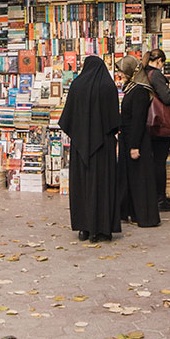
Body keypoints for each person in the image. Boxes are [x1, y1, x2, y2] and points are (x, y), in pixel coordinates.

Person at [58, 56, 122, 243]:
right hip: (104, 147)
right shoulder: (108, 86)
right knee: (104, 186)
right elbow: (113, 121)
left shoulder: (77, 86)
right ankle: (102, 229)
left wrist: (81, 133)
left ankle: (84, 228)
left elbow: (67, 118)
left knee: (82, 186)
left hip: (81, 147)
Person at [116, 56, 161, 228]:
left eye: (122, 70)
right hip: (129, 138)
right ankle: (131, 212)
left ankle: (143, 215)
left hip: (136, 141)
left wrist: (134, 146)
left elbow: (138, 120)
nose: (120, 74)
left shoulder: (140, 91)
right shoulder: (131, 88)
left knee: (139, 178)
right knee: (130, 177)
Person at [143, 49, 170, 213]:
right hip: (158, 125)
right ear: (159, 61)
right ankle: (160, 199)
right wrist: (169, 89)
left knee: (149, 162)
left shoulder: (142, 72)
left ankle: (149, 196)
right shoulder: (155, 75)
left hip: (146, 123)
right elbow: (167, 97)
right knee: (159, 163)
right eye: (162, 63)